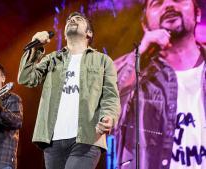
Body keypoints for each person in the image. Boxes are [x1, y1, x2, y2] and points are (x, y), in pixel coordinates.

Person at [17, 12, 120, 169]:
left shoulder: (102, 61)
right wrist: (35, 45)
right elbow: (26, 78)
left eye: (78, 19)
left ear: (89, 33)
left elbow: (111, 96)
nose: (72, 20)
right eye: (69, 20)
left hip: (87, 138)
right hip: (52, 140)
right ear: (64, 35)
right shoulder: (52, 59)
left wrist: (108, 116)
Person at [114, 0, 205, 168]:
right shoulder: (133, 72)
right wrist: (138, 56)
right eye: (157, 3)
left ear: (198, 13)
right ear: (145, 25)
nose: (169, 5)